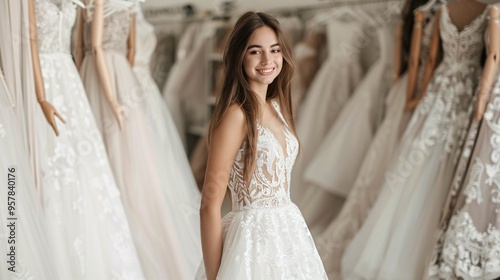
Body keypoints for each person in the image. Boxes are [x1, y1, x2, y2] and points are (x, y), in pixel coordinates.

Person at [195, 11, 327, 280]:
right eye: (256, 51)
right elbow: (209, 204)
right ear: (239, 57)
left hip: (288, 235)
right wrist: (213, 277)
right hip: (250, 241)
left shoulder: (277, 108)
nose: (268, 60)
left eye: (275, 50)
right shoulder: (236, 116)